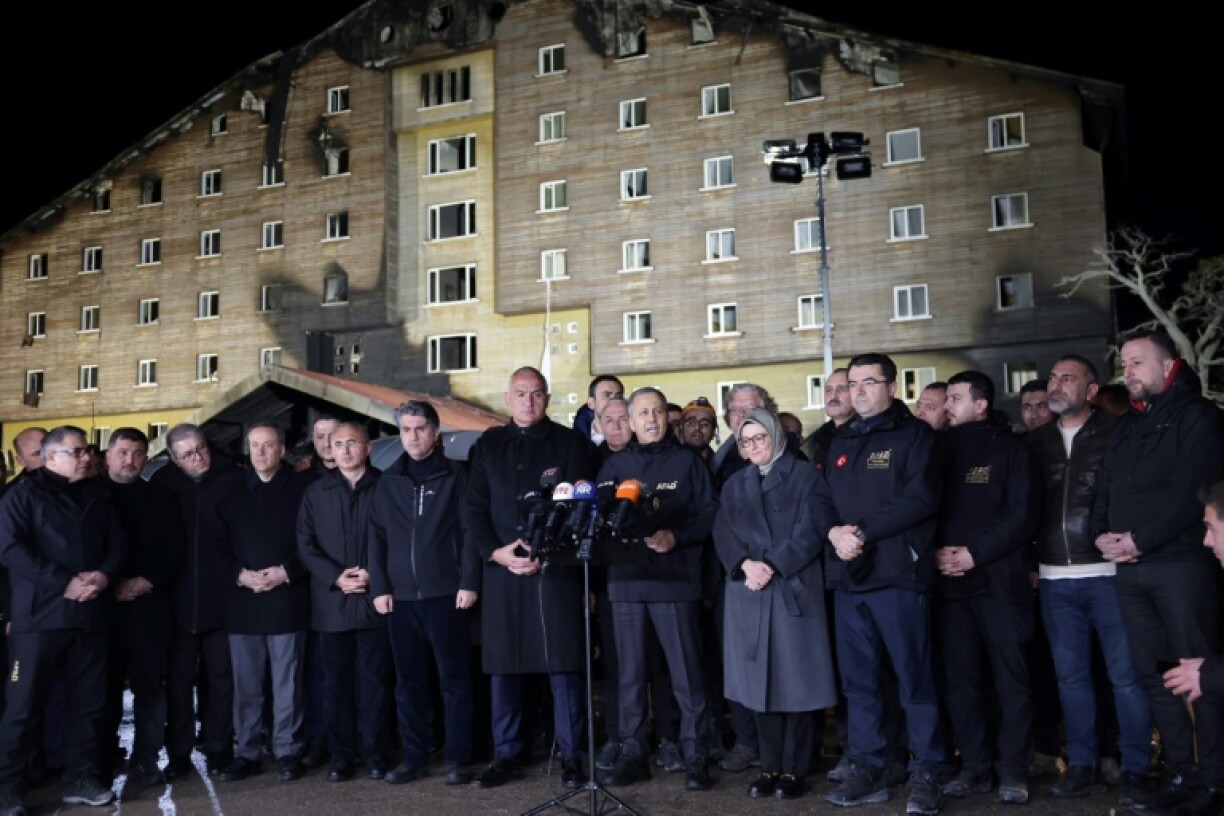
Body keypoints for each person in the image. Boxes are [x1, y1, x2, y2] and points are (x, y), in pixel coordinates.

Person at [1092, 327, 1224, 814]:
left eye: (1137, 363)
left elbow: (1194, 489)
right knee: (1158, 676)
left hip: (1181, 566)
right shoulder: (1129, 423)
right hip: (1130, 569)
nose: (1127, 372)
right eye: (1124, 364)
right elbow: (1105, 484)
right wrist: (1101, 533)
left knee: (1199, 675)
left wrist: (1140, 539)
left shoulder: (1199, 417)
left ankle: (1213, 782)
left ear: (1168, 366)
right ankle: (1181, 775)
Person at [820, 352, 947, 816]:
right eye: (852, 383)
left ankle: (928, 770)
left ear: (892, 386)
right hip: (849, 580)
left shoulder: (915, 436)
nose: (858, 391)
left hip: (898, 576)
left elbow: (921, 498)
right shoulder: (839, 440)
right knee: (860, 685)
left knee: (914, 679)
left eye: (868, 382)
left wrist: (862, 532)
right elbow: (821, 501)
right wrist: (834, 532)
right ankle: (870, 767)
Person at [461, 367, 593, 789]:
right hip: (502, 570)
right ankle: (507, 753)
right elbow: (474, 510)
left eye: (537, 394)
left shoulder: (570, 443)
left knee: (564, 666)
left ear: (548, 399)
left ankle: (572, 755)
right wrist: (495, 553)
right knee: (504, 668)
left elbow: (579, 507)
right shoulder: (488, 445)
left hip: (555, 570)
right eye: (521, 394)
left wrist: (545, 550)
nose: (528, 402)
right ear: (507, 398)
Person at [1029, 355, 1152, 803]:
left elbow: (1139, 494)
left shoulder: (1119, 434)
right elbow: (1026, 508)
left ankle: (1136, 767)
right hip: (1054, 577)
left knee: (1126, 678)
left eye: (1068, 378)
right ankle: (1081, 765)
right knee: (1071, 679)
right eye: (1053, 377)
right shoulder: (1035, 442)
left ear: (1092, 390)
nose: (1056, 385)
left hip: (1109, 573)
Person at [597, 387, 719, 792]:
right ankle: (634, 753)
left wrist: (677, 536)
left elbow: (710, 516)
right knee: (629, 677)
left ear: (668, 418)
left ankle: (696, 754)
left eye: (657, 412)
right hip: (626, 583)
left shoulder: (688, 463)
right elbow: (599, 522)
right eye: (642, 413)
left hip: (675, 581)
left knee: (687, 675)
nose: (651, 420)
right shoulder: (614, 465)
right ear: (629, 422)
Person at [0, 425, 127, 814]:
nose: (87, 456)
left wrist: (104, 576)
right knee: (23, 708)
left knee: (89, 703)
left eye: (87, 449)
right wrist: (64, 583)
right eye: (77, 451)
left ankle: (81, 778)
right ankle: (7, 788)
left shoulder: (97, 494)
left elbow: (118, 545)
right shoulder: (22, 495)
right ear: (51, 456)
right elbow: (10, 549)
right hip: (39, 618)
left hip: (89, 614)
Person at [714, 409, 837, 800]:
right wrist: (744, 564)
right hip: (749, 588)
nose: (752, 447)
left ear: (776, 437)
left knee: (796, 683)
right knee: (758, 686)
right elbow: (723, 530)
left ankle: (795, 769)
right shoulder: (735, 483)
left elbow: (812, 529)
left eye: (759, 439)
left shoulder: (805, 476)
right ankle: (769, 766)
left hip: (791, 585)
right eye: (745, 441)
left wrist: (774, 564)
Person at [933, 371, 1038, 804]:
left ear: (981, 404)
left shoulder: (1011, 449)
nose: (946, 406)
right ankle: (975, 768)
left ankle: (1013, 770)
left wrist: (975, 552)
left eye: (955, 398)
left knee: (1010, 679)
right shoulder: (937, 451)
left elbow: (1024, 514)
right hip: (948, 583)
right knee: (961, 681)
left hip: (999, 580)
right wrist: (938, 552)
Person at [369, 402, 480, 786]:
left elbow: (470, 534)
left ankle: (458, 759)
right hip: (400, 599)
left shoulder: (456, 476)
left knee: (454, 680)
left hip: (447, 595)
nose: (413, 437)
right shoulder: (389, 479)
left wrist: (469, 582)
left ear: (435, 432)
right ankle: (414, 758)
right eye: (406, 430)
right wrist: (380, 588)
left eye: (420, 429)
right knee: (408, 682)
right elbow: (377, 538)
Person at [297, 421, 393, 783]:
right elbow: (305, 544)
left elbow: (397, 537)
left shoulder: (386, 486)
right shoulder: (316, 492)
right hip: (331, 606)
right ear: (330, 452)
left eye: (353, 443)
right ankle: (342, 757)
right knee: (335, 687)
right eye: (339, 444)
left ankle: (376, 754)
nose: (346, 450)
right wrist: (335, 576)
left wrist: (372, 573)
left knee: (375, 684)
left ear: (367, 448)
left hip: (375, 602)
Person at [217, 423, 311, 783]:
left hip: (287, 597)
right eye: (255, 445)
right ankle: (248, 752)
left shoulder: (303, 489)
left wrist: (286, 571)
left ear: (282, 449)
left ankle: (288, 750)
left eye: (269, 445)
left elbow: (313, 542)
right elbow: (216, 547)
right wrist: (240, 575)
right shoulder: (231, 492)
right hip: (243, 601)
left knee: (288, 684)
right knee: (247, 685)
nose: (261, 452)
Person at [151, 423, 244, 778]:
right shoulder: (162, 485)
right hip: (176, 604)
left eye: (201, 448)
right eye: (188, 454)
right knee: (177, 684)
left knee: (221, 680)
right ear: (173, 458)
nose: (198, 457)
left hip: (223, 600)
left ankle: (219, 748)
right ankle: (178, 753)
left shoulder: (232, 480)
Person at [101, 429, 185, 794]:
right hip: (102, 612)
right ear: (108, 455)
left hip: (150, 610)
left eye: (137, 454)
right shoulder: (90, 496)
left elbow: (174, 548)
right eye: (122, 452)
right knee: (100, 694)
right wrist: (108, 584)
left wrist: (145, 582)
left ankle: (146, 760)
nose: (129, 460)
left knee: (150, 691)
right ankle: (101, 760)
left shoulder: (162, 498)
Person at [574, 375, 625, 451]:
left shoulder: (633, 439)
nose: (614, 401)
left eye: (618, 396)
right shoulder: (575, 440)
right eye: (607, 395)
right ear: (591, 403)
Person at [678, 398, 718, 463]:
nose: (697, 428)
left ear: (714, 431)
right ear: (681, 427)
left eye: (704, 424)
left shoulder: (723, 467)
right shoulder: (669, 463)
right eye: (691, 423)